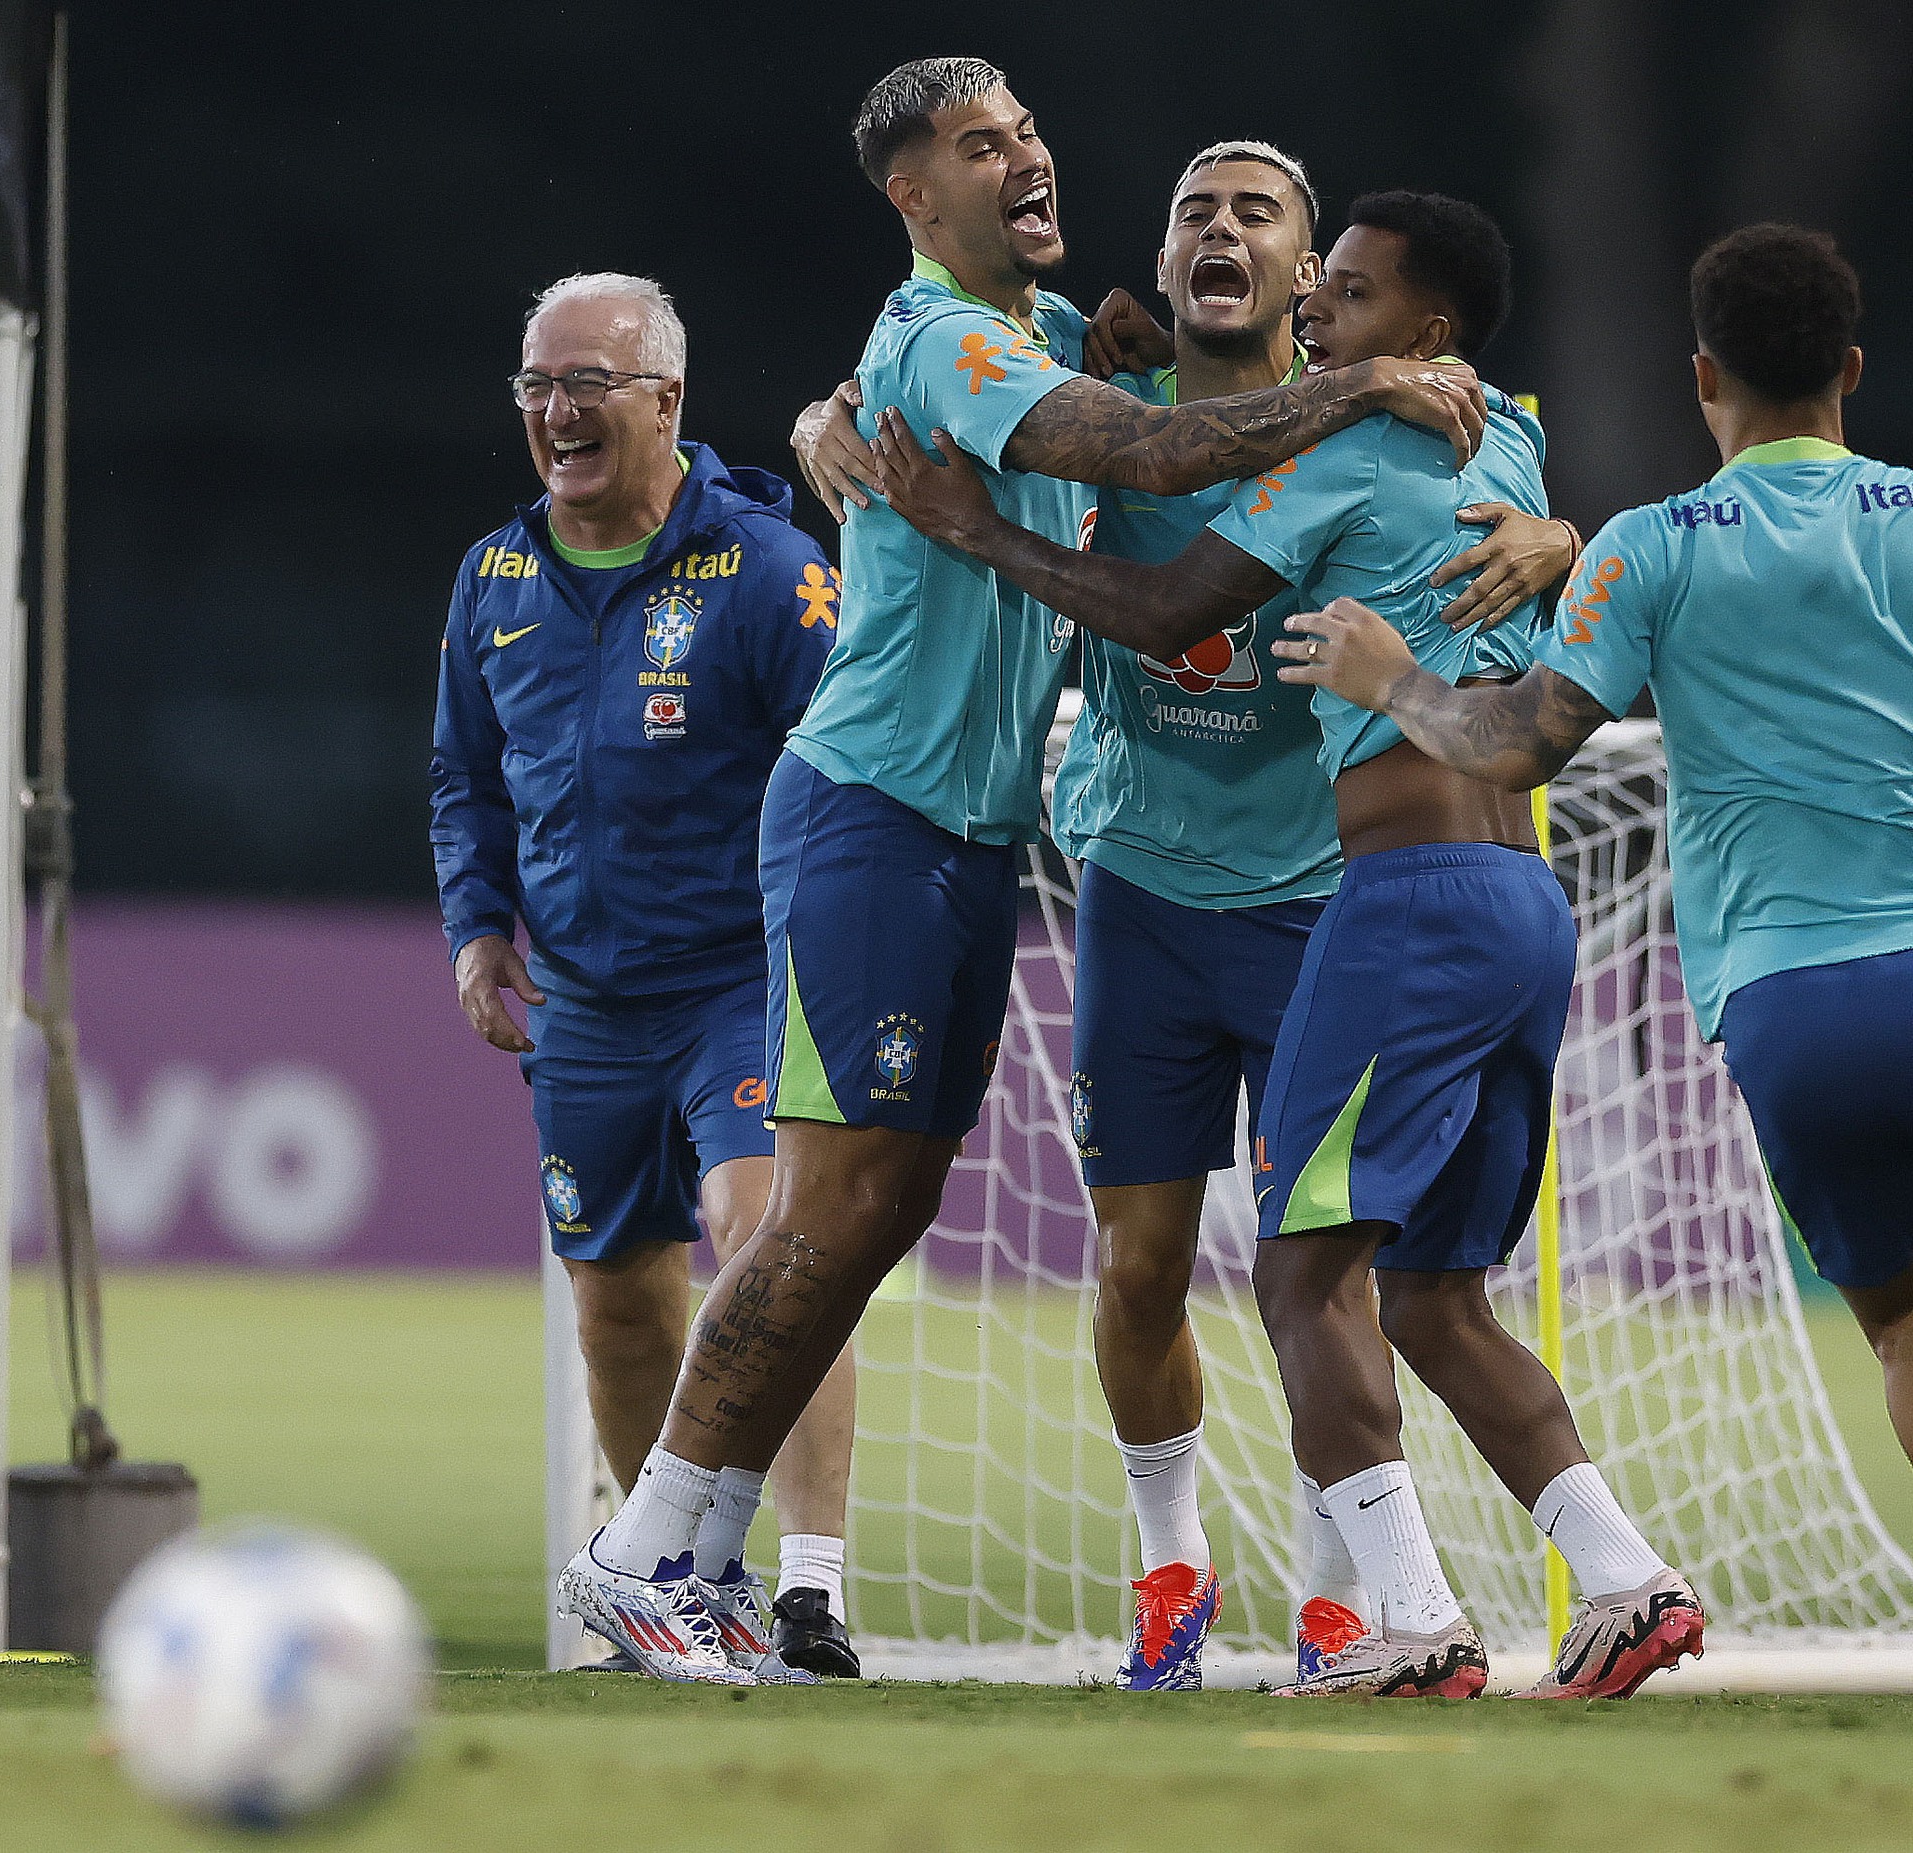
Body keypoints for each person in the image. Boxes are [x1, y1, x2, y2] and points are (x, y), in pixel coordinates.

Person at [554, 57, 1491, 1684]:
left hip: (968, 835)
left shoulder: (1035, 332)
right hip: (875, 811)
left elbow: (1101, 393)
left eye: (1029, 130)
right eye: (982, 146)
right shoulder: (946, 338)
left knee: (883, 1206)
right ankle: (644, 1549)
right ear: (915, 196)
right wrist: (1359, 388)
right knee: (829, 1206)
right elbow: (1144, 456)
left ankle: (689, 1556)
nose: (1026, 157)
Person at [1275, 221, 1913, 1716]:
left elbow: (1522, 742)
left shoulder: (1646, 547)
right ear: (1853, 370)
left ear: (1701, 376)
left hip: (1781, 1017)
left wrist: (1389, 677)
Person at [870, 191, 1704, 1702]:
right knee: (1435, 1298)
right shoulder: (1492, 439)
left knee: (1302, 1277)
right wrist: (1567, 527)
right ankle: (1629, 1581)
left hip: (1394, 902)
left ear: (1429, 339)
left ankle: (1406, 1616)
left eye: (1354, 293)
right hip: (1521, 907)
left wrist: (975, 529)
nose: (1320, 307)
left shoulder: (1331, 456)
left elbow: (1167, 602)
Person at [430, 272, 859, 1683]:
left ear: (665, 401)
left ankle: (813, 1587)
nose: (557, 411)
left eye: (588, 384)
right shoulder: (492, 579)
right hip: (589, 1004)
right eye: (538, 386)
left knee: (766, 1239)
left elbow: (850, 750)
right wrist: (478, 926)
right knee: (615, 1304)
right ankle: (683, 1584)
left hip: (745, 973)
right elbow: (466, 778)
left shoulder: (762, 566)